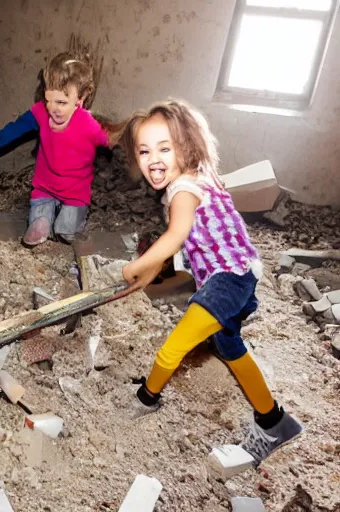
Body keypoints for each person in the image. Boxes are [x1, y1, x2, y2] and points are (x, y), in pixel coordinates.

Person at [120, 98, 303, 465]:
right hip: (241, 271)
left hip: (227, 278)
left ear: (185, 148)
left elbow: (175, 235)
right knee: (230, 345)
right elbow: (180, 242)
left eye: (164, 148)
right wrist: (151, 273)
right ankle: (275, 421)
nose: (152, 158)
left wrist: (135, 265)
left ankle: (146, 398)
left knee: (173, 348)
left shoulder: (183, 189)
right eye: (144, 150)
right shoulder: (198, 173)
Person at [0, 52, 109, 246]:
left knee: (65, 232)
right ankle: (42, 218)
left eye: (61, 102)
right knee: (39, 224)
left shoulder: (88, 124)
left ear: (81, 99)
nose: (52, 108)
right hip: (45, 189)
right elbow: (8, 135)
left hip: (75, 193)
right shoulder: (40, 112)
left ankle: (66, 223)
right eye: (48, 99)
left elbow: (112, 141)